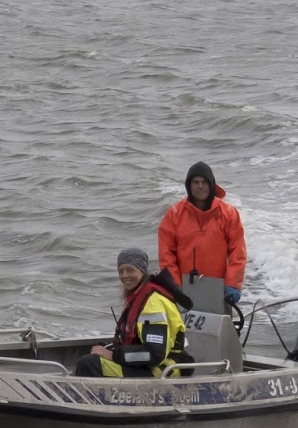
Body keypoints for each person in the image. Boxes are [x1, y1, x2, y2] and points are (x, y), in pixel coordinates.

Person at [74, 248, 191, 378]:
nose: (124, 275)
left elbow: (154, 354)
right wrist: (108, 350)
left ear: (142, 271)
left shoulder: (153, 303)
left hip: (163, 368)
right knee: (93, 353)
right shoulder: (139, 296)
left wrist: (114, 355)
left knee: (88, 364)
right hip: (147, 365)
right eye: (121, 271)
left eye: (130, 270)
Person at [157, 161, 247, 310]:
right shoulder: (174, 214)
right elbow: (166, 254)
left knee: (221, 325)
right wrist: (175, 285)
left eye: (204, 182)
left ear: (211, 185)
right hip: (184, 291)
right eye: (195, 182)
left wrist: (232, 284)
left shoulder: (229, 214)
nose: (200, 186)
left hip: (220, 291)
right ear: (189, 185)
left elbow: (238, 252)